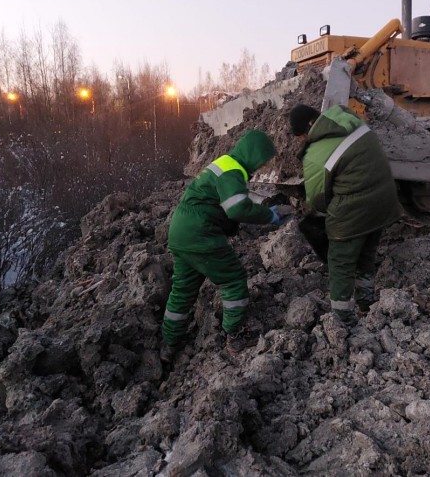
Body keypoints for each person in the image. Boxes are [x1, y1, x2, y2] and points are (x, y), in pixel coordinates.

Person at [161, 129, 292, 357]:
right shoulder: (232, 171)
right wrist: (268, 216)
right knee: (233, 280)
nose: (262, 167)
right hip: (200, 233)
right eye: (263, 161)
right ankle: (235, 336)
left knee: (183, 290)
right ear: (254, 155)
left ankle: (169, 344)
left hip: (180, 232)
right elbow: (237, 208)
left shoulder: (224, 164)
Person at [289, 103, 405, 325]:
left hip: (354, 212)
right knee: (366, 253)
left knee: (340, 261)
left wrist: (321, 223)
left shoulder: (315, 154)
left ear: (308, 128)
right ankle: (366, 300)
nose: (299, 141)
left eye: (300, 136)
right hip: (384, 201)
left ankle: (343, 319)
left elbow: (318, 201)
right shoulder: (348, 119)